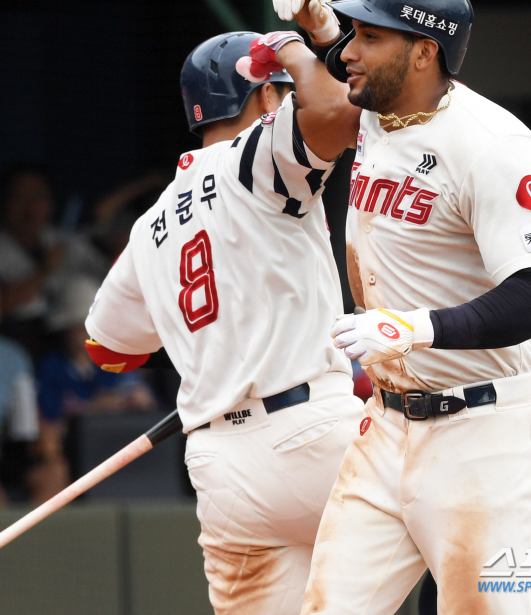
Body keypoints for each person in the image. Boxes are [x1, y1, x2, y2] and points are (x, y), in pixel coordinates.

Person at [270, 0, 531, 615]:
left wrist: (418, 327)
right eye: (351, 34)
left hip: (485, 436)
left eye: (369, 36)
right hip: (386, 425)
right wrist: (321, 26)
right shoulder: (381, 108)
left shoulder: (492, 145)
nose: (348, 54)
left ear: (424, 51)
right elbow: (351, 63)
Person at [83, 31, 364, 614]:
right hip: (315, 433)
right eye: (283, 92)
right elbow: (339, 113)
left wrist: (215, 347)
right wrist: (297, 47)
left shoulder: (150, 224)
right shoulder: (261, 152)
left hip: (221, 466)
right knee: (459, 540)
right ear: (265, 100)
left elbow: (107, 350)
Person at [31, 276, 156, 504]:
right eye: (78, 327)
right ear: (65, 329)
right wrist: (93, 408)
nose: (85, 333)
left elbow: (145, 400)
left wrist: (128, 400)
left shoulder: (115, 359)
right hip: (76, 458)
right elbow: (48, 428)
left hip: (120, 452)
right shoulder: (52, 368)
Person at [0, 164, 109, 361]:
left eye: (37, 197)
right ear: (3, 202)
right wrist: (45, 269)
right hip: (16, 341)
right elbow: (1, 306)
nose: (29, 207)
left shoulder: (63, 241)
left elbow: (106, 279)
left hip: (71, 344)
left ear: (51, 203)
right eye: (19, 197)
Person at [0, 275, 39, 505]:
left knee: (53, 470)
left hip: (3, 449)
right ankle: (4, 540)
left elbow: (25, 425)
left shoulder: (13, 356)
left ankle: (38, 539)